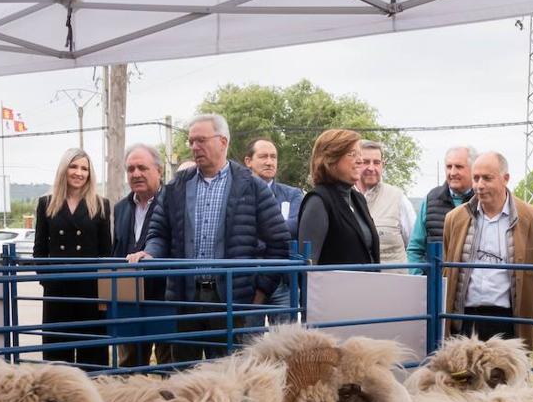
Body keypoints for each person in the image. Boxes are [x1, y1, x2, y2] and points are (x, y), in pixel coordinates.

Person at [128, 113, 289, 362]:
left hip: (231, 301)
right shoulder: (177, 186)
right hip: (185, 300)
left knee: (228, 380)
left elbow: (278, 243)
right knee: (185, 377)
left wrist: (259, 294)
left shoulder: (251, 186)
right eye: (191, 141)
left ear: (223, 142)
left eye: (201, 140)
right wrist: (149, 253)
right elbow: (159, 233)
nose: (194, 147)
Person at [442, 152, 533, 349]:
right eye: (476, 178)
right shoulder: (454, 219)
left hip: (510, 322)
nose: (479, 185)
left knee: (507, 379)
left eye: (487, 178)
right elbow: (447, 270)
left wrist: (525, 296)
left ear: (506, 179)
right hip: (465, 320)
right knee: (465, 378)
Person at [33, 147, 113, 367]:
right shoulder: (46, 203)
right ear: (64, 169)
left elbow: (106, 252)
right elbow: (39, 250)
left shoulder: (101, 204)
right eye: (74, 166)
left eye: (84, 168)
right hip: (57, 291)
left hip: (90, 292)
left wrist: (103, 291)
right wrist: (46, 280)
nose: (79, 173)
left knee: (92, 353)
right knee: (57, 353)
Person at [112, 143, 167, 367]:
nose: (136, 174)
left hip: (164, 298)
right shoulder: (121, 208)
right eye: (130, 169)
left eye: (142, 168)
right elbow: (117, 250)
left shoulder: (173, 202)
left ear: (159, 171)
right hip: (130, 300)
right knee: (128, 366)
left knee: (168, 366)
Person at [297, 129, 379, 268]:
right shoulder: (318, 201)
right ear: (331, 159)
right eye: (352, 154)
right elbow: (307, 267)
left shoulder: (357, 198)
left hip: (367, 287)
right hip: (332, 288)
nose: (360, 160)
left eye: (360, 154)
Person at [244, 136, 303, 320]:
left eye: (273, 157)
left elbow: (295, 227)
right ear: (248, 161)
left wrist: (257, 228)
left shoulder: (293, 194)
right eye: (263, 156)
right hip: (249, 280)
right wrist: (275, 232)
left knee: (286, 344)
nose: (269, 162)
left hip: (283, 282)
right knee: (249, 344)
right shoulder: (237, 195)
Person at [407, 146, 475, 266]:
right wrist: (419, 278)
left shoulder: (482, 201)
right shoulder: (430, 199)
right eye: (449, 167)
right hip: (435, 281)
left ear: (473, 169)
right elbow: (415, 249)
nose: (453, 172)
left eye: (459, 167)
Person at [356, 140, 415, 269]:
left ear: (383, 165)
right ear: (356, 163)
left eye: (376, 163)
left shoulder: (398, 199)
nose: (371, 168)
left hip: (393, 284)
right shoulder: (343, 199)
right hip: (355, 282)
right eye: (366, 162)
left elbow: (414, 246)